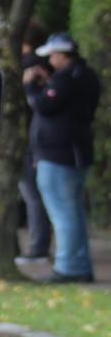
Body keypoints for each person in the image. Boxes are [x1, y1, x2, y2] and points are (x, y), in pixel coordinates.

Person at [23, 31, 101, 283]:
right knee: (73, 211)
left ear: (61, 54)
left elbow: (45, 105)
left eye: (53, 56)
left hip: (59, 154)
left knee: (63, 212)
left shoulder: (68, 77)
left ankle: (69, 267)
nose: (51, 61)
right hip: (72, 153)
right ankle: (78, 264)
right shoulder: (82, 75)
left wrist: (31, 85)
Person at [15, 23, 53, 263]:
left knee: (32, 193)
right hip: (38, 137)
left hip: (28, 139)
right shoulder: (45, 67)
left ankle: (38, 247)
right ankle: (39, 245)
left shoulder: (27, 66)